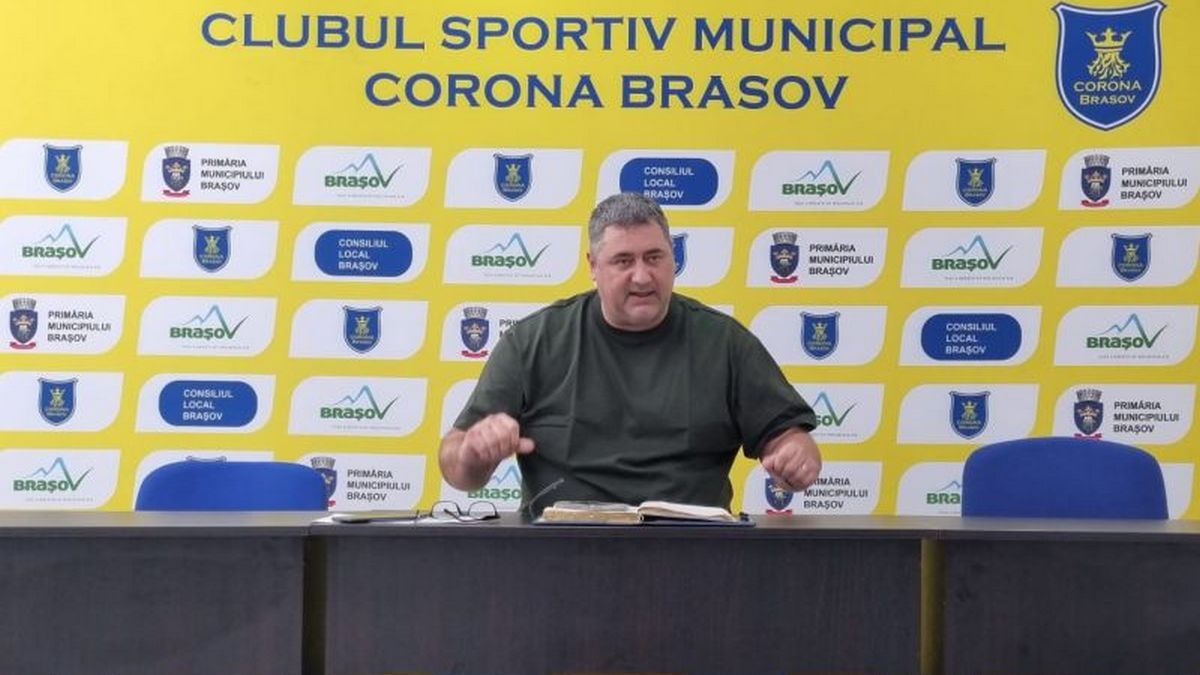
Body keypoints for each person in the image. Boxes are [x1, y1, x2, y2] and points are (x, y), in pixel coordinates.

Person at [439, 192, 821, 514]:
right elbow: (455, 465)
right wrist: (473, 452)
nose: (641, 276)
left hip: (695, 553)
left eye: (654, 257)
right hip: (562, 553)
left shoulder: (725, 343)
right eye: (623, 261)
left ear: (674, 258)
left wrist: (796, 456)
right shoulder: (532, 341)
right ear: (593, 266)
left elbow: (790, 439)